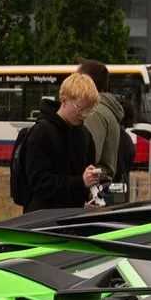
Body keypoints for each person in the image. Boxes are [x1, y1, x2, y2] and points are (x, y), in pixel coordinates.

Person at [19, 72, 105, 214]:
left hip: (73, 216)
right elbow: (39, 182)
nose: (83, 115)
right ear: (63, 101)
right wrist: (80, 182)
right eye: (80, 109)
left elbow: (83, 179)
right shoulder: (41, 133)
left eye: (89, 110)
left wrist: (89, 196)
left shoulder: (85, 135)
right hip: (42, 218)